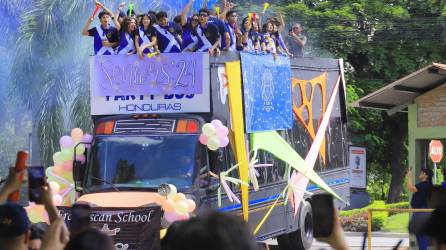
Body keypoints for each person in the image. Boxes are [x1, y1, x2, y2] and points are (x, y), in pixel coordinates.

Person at [407, 167, 433, 250]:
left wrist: (409, 176)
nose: (420, 173)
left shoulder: (425, 184)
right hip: (419, 211)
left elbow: (410, 188)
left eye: (422, 172)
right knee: (418, 232)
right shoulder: (424, 184)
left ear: (425, 175)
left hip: (421, 211)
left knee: (421, 234)